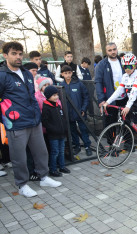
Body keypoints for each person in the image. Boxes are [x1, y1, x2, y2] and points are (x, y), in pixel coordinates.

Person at [0, 41, 61, 197]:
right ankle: (22, 185)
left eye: (20, 53)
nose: (18, 57)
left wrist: (37, 115)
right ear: (5, 55)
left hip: (34, 121)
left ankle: (44, 177)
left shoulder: (27, 73)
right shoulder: (2, 75)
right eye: (14, 53)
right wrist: (5, 120)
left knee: (41, 152)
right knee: (19, 156)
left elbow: (33, 97)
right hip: (16, 124)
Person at [103, 53, 137, 167]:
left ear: (135, 66)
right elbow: (118, 91)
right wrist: (108, 102)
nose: (127, 69)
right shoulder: (125, 76)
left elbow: (134, 93)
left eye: (130, 66)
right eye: (125, 67)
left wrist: (127, 106)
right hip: (133, 105)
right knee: (135, 125)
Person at [60, 65, 92, 156]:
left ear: (72, 73)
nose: (67, 75)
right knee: (73, 130)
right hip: (69, 113)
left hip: (80, 112)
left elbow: (86, 97)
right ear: (62, 74)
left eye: (69, 73)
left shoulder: (78, 83)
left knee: (83, 129)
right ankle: (77, 146)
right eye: (65, 73)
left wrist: (84, 109)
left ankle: (87, 146)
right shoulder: (61, 86)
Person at [95, 42, 125, 132]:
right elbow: (98, 82)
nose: (113, 52)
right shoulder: (101, 65)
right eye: (110, 50)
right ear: (106, 51)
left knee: (126, 121)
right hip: (110, 98)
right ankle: (111, 144)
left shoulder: (123, 61)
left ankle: (128, 143)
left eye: (114, 49)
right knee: (111, 122)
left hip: (124, 97)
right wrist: (101, 99)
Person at [42, 86, 70, 177]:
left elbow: (62, 118)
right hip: (53, 135)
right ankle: (53, 169)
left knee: (61, 150)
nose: (56, 97)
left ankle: (62, 166)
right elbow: (45, 122)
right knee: (55, 152)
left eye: (57, 95)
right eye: (54, 95)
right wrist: (53, 129)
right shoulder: (46, 107)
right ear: (48, 96)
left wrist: (64, 127)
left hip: (61, 133)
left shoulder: (57, 105)